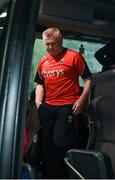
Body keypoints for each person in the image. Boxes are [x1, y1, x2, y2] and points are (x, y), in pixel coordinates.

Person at [34, 27, 92, 178]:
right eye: (47, 44)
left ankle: (67, 173)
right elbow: (40, 83)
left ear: (60, 42)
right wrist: (38, 102)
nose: (50, 47)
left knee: (59, 142)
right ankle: (50, 175)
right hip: (47, 107)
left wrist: (81, 100)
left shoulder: (74, 57)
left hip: (67, 105)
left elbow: (88, 80)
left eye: (53, 44)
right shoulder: (43, 61)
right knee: (47, 146)